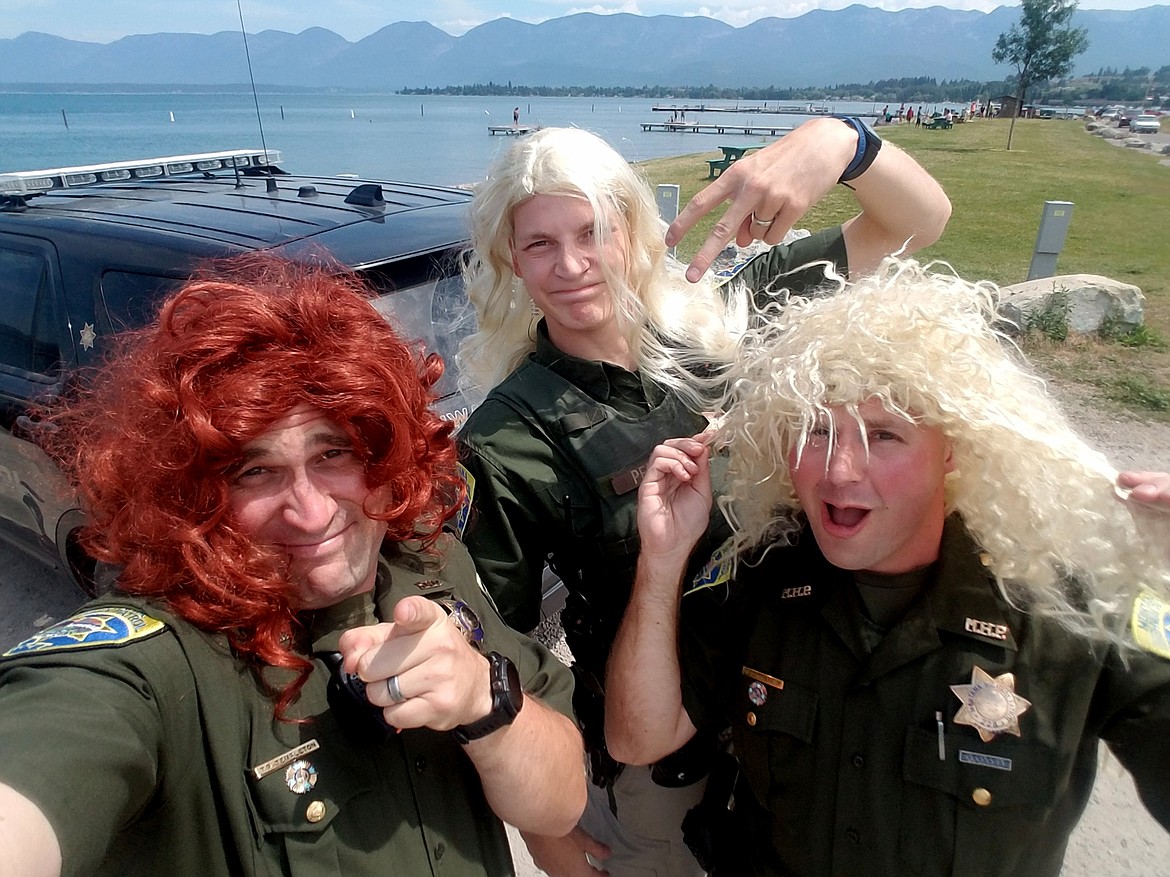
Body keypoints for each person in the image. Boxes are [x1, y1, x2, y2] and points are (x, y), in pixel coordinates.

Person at [456, 123, 950, 876]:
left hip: (800, 727)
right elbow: (497, 655)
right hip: (662, 765)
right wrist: (545, 830)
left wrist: (840, 143)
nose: (572, 265)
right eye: (539, 245)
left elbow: (917, 222)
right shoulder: (507, 438)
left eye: (594, 232)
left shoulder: (724, 320)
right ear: (509, 262)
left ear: (633, 232)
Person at [0, 255, 585, 877]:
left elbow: (560, 802)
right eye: (256, 471)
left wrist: (483, 699)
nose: (309, 513)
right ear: (194, 492)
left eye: (334, 453)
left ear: (387, 453)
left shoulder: (430, 565)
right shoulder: (164, 659)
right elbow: (50, 747)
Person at [606, 260, 1170, 877]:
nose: (839, 470)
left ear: (952, 445)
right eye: (815, 430)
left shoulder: (1063, 610)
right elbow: (638, 739)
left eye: (884, 435)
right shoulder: (759, 573)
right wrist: (662, 560)